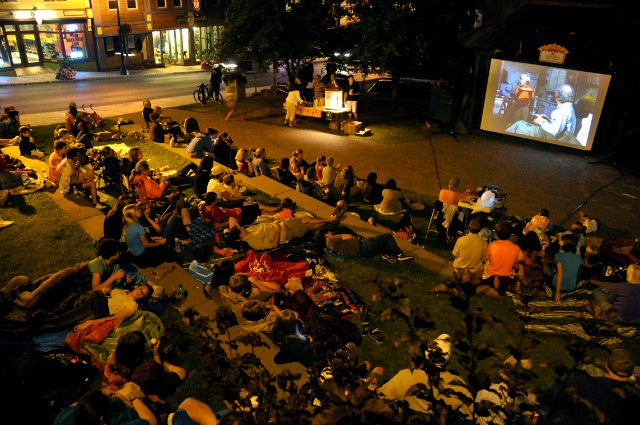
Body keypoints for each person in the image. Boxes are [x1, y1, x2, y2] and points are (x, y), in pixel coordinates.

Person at [378, 334, 474, 419]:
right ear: (448, 361)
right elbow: (469, 417)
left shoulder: (404, 375)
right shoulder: (460, 387)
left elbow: (380, 397)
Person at [546, 348, 639, 425]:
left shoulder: (581, 382)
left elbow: (551, 397)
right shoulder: (635, 397)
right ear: (631, 370)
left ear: (606, 366)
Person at [54, 389, 220, 425]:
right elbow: (150, 421)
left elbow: (76, 404)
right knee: (186, 407)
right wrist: (133, 398)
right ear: (102, 420)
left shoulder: (64, 418)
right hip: (157, 417)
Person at [103, 331, 187, 399]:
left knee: (159, 359)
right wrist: (155, 351)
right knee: (181, 372)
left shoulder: (113, 357)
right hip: (147, 391)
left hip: (128, 385)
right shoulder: (146, 367)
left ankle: (165, 361)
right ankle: (168, 368)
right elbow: (159, 372)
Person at [226, 213, 340, 251]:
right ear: (239, 237)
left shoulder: (248, 230)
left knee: (308, 223)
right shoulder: (253, 242)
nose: (241, 227)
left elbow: (232, 219)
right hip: (284, 231)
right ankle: (329, 220)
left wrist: (230, 232)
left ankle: (329, 221)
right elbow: (273, 245)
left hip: (282, 225)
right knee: (307, 223)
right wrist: (277, 230)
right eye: (240, 230)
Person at [506, 84, 577, 143]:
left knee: (520, 124)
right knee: (522, 124)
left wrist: (541, 121)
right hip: (561, 137)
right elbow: (559, 126)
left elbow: (554, 132)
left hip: (556, 140)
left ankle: (505, 138)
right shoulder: (569, 108)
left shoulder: (562, 110)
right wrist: (548, 120)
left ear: (558, 97)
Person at [121, 204, 181, 268]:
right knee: (168, 250)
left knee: (165, 247)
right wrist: (159, 243)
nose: (140, 211)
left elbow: (136, 240)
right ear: (133, 214)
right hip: (143, 256)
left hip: (135, 255)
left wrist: (153, 238)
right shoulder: (138, 227)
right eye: (138, 210)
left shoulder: (126, 227)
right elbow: (146, 244)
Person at [321, 227, 414, 264]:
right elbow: (349, 236)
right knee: (387, 236)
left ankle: (386, 255)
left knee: (382, 243)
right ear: (326, 235)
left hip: (364, 253)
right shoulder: (331, 239)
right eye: (329, 232)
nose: (331, 232)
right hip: (364, 246)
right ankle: (399, 254)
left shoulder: (330, 246)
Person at [483, 221, 521, 292]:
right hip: (507, 275)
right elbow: (516, 265)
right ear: (510, 235)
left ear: (497, 234)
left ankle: (495, 280)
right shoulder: (516, 248)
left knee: (486, 263)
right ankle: (502, 283)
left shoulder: (492, 245)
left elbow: (487, 258)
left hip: (491, 273)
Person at [550, 233, 582, 303]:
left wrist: (557, 293)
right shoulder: (578, 257)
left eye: (561, 241)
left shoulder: (559, 256)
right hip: (571, 287)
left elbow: (559, 275)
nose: (559, 242)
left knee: (547, 267)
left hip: (557, 285)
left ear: (566, 243)